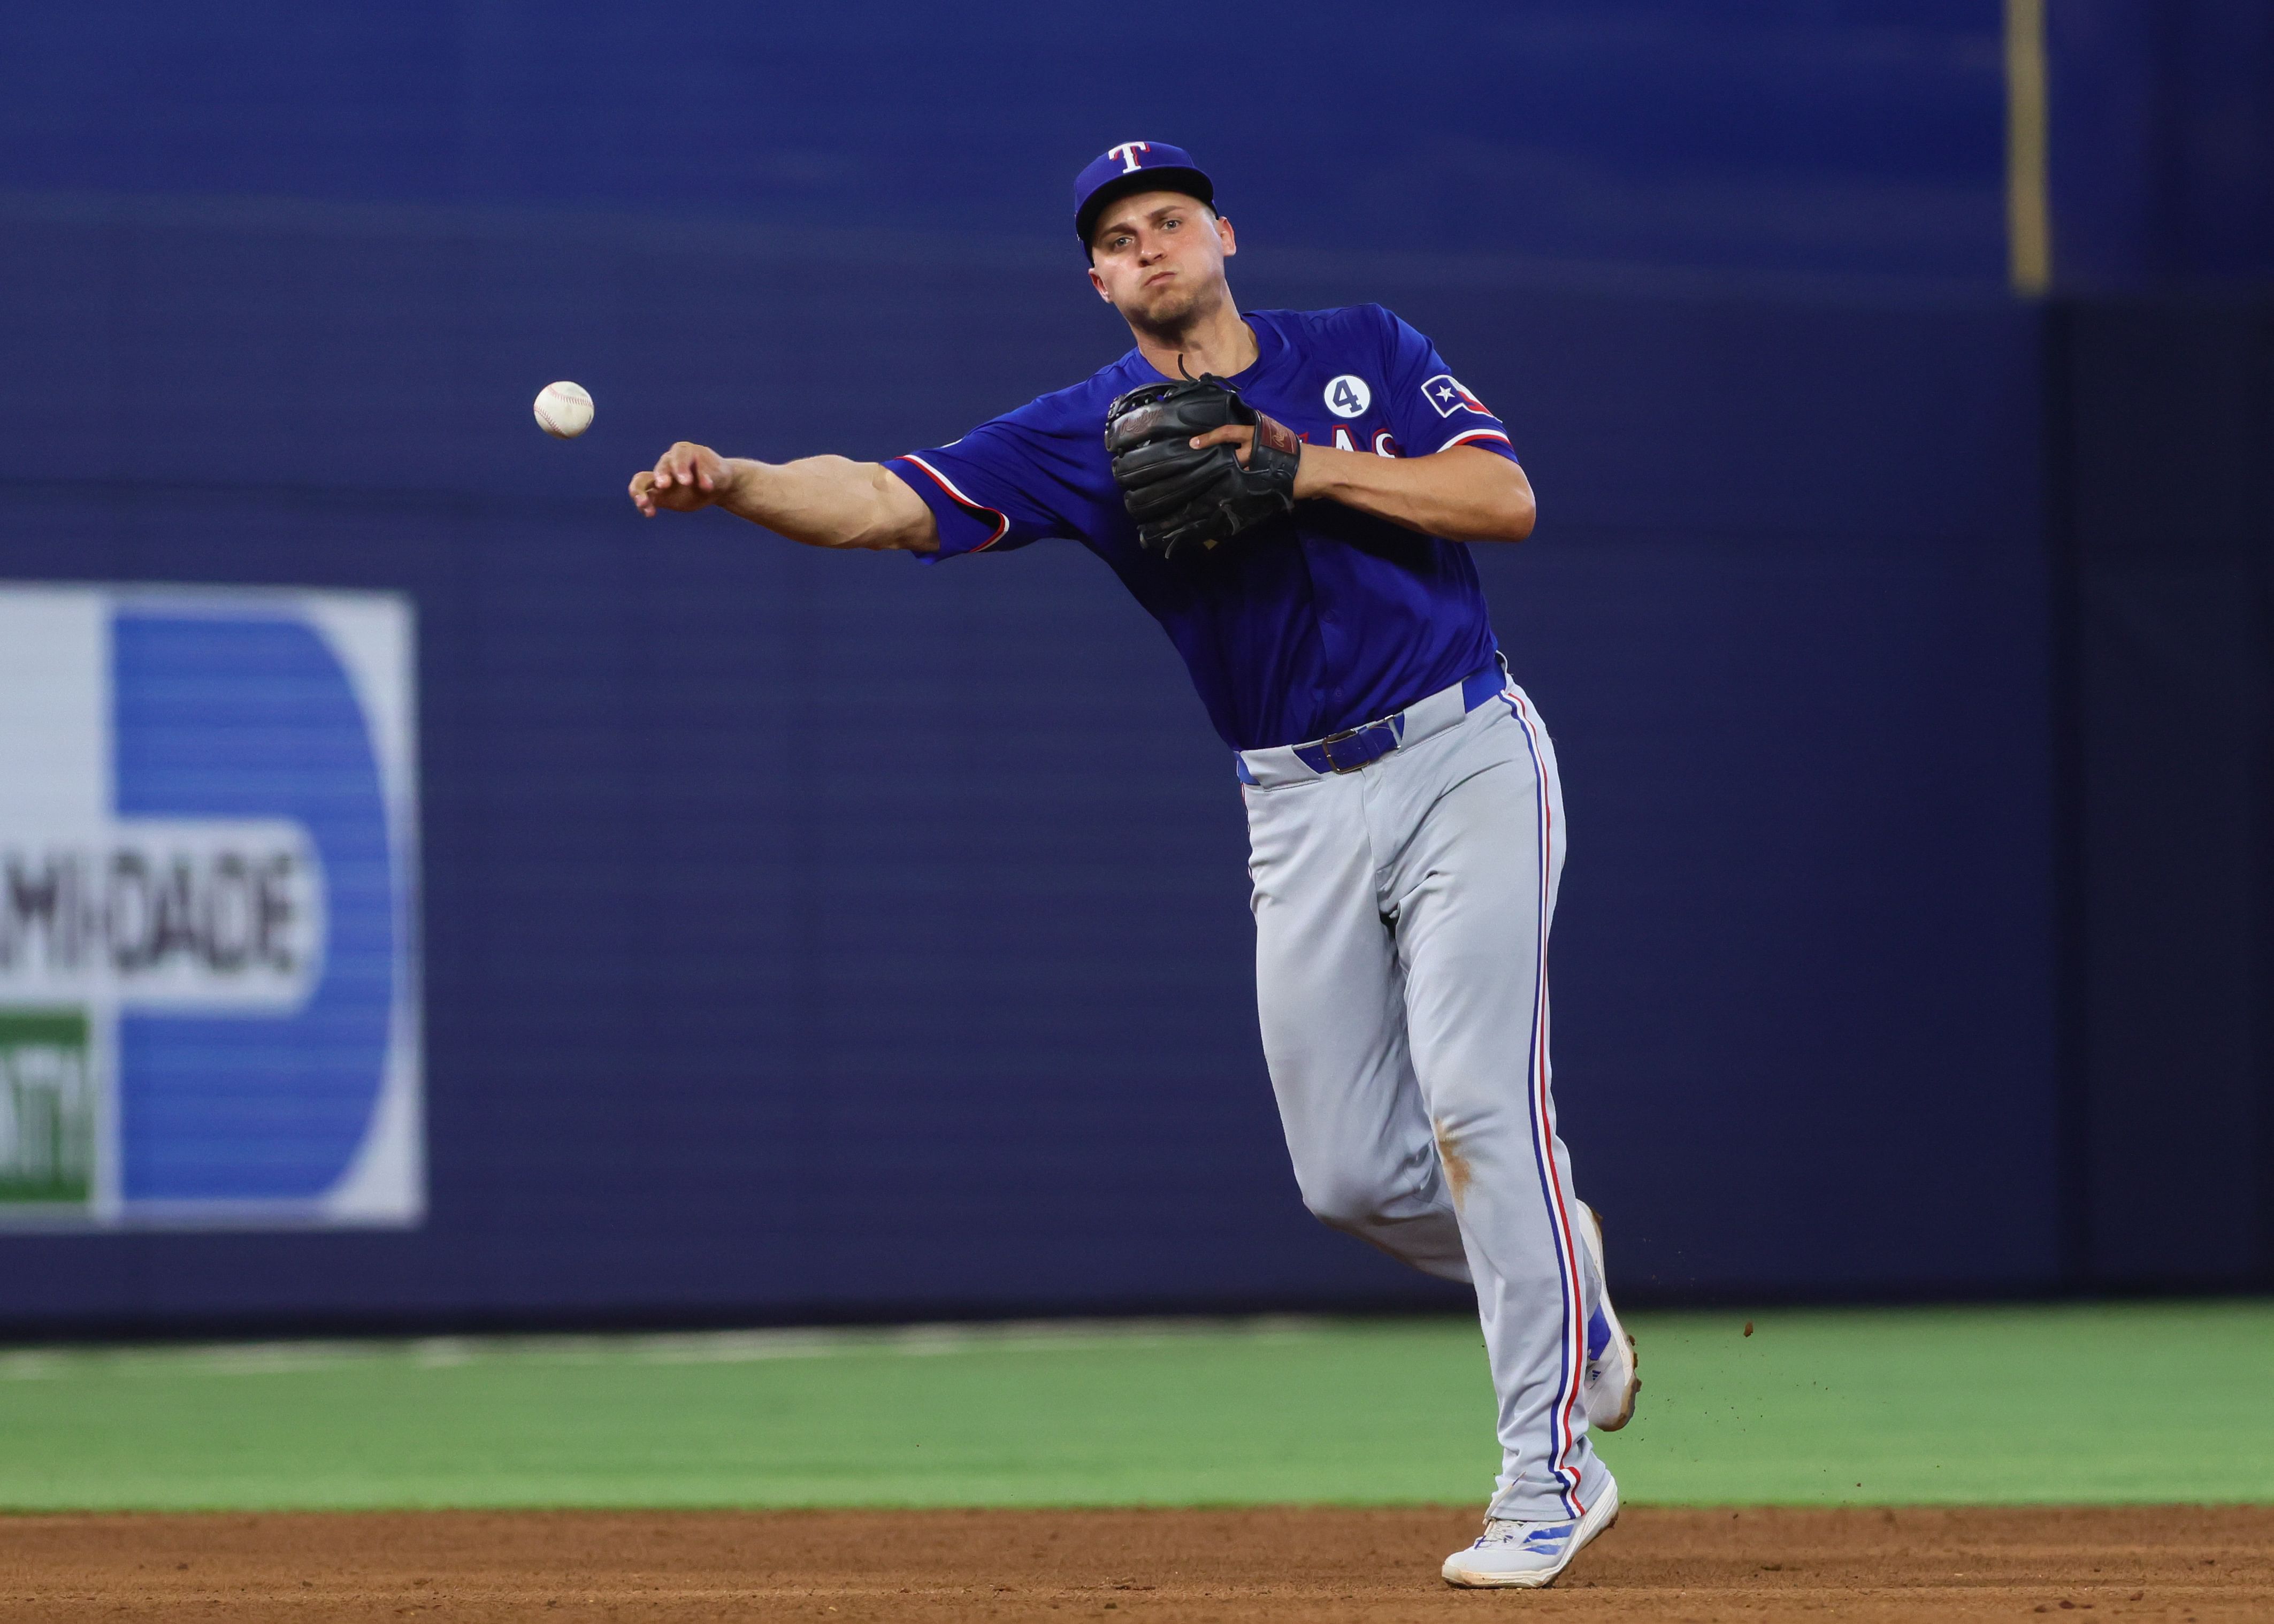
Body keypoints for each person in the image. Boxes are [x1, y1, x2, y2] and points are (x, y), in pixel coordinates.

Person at [629, 141, 1638, 1590]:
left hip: (1462, 751)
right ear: (1097, 280)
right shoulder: (1080, 432)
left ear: (1225, 234)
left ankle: (1550, 1472)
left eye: (1170, 217)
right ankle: (1569, 1286)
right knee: (1349, 1176)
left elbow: (1504, 502)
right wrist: (732, 480)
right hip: (1290, 803)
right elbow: (874, 496)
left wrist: (1301, 466)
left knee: (1481, 1108)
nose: (1149, 243)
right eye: (1118, 235)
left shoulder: (1360, 350)